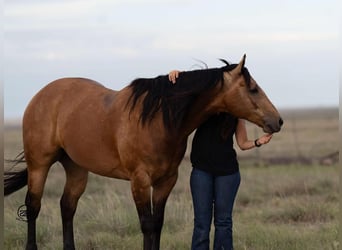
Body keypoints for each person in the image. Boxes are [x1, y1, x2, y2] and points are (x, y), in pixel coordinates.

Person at [168, 70, 273, 250]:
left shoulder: (237, 115)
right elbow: (193, 87)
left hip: (228, 173)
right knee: (201, 224)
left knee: (224, 222)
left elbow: (242, 143)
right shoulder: (203, 108)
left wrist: (257, 142)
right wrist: (179, 74)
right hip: (202, 171)